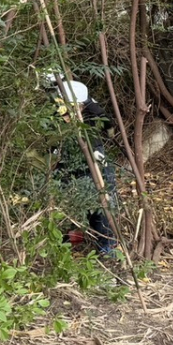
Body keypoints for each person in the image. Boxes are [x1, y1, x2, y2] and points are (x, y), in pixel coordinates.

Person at [47, 75, 118, 257]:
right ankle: (69, 237)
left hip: (94, 160)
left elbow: (108, 126)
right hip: (68, 163)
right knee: (66, 199)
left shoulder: (87, 109)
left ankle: (107, 244)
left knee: (102, 202)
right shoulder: (55, 109)